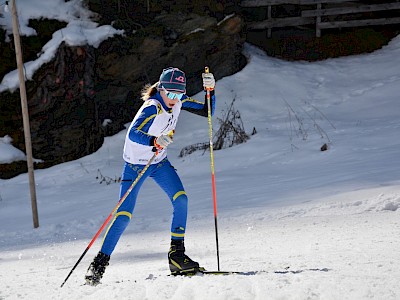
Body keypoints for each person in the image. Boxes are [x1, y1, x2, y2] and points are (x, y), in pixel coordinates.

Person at [85, 67, 216, 285]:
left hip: (158, 163)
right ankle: (98, 264)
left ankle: (176, 256)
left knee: (181, 199)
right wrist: (154, 142)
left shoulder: (179, 99)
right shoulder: (152, 107)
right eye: (171, 94)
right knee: (124, 216)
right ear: (161, 89)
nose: (174, 99)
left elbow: (207, 111)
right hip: (135, 166)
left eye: (178, 94)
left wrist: (210, 90)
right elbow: (134, 133)